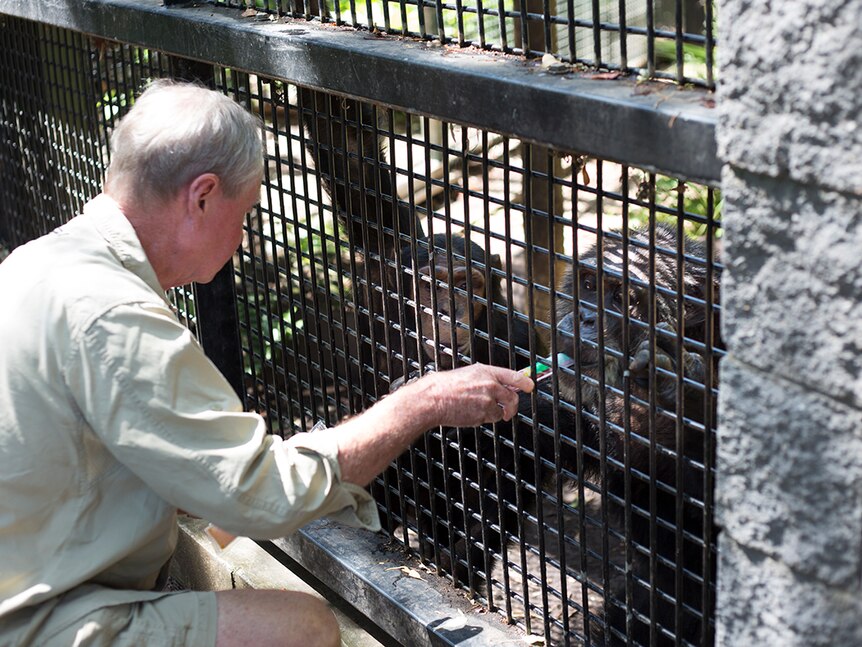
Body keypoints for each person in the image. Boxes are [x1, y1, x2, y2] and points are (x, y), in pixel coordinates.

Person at [0, 79, 533, 647]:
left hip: (29, 578)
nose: (246, 232)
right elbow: (257, 498)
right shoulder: (115, 315)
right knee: (299, 628)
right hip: (33, 624)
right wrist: (421, 402)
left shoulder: (39, 261)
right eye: (246, 211)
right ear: (202, 197)